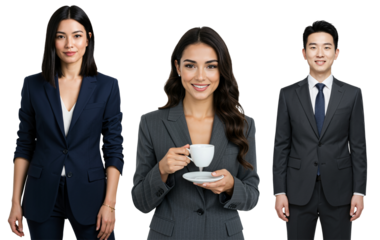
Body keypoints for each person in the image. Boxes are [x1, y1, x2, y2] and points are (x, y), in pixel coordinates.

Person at [130, 26, 261, 239]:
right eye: (191, 65)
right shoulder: (150, 123)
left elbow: (253, 197)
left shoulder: (244, 125)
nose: (200, 77)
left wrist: (231, 186)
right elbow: (139, 202)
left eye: (211, 66)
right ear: (178, 67)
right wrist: (162, 170)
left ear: (222, 70)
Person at [6, 4, 125, 240]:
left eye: (77, 36)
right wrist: (14, 202)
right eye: (61, 37)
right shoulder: (32, 85)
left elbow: (114, 148)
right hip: (41, 192)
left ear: (88, 39)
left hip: (91, 193)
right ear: (52, 41)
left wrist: (111, 203)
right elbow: (23, 144)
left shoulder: (108, 86)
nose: (69, 44)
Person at [271, 19, 368, 239]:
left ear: (337, 53)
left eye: (327, 47)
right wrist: (279, 191)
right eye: (313, 47)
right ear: (303, 53)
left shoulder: (353, 94)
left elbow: (359, 147)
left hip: (340, 190)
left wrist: (359, 191)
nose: (320, 53)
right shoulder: (287, 94)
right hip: (296, 191)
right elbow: (281, 146)